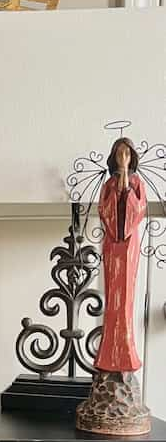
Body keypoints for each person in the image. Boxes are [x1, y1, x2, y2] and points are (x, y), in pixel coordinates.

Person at [95, 137, 147, 373]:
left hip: (129, 245)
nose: (122, 158)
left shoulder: (137, 182)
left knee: (126, 300)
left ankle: (126, 356)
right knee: (112, 298)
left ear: (132, 156)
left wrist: (126, 184)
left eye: (127, 154)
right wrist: (117, 188)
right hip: (112, 245)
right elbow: (105, 211)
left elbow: (137, 211)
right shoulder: (108, 184)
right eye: (119, 154)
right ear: (113, 156)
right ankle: (107, 356)